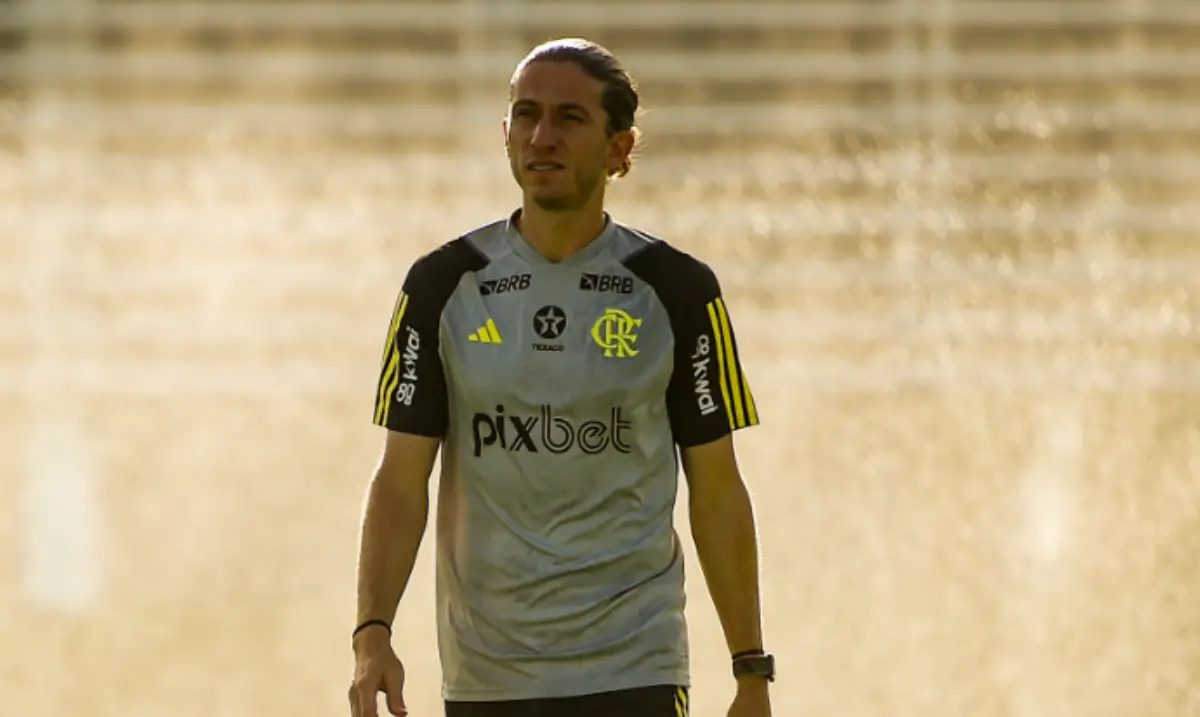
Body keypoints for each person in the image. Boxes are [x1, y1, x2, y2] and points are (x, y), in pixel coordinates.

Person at [348, 37, 774, 717]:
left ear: (620, 148)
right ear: (506, 133)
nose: (542, 136)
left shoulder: (677, 289)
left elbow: (718, 489)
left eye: (570, 118)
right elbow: (401, 479)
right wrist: (373, 636)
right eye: (526, 114)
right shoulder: (441, 286)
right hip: (488, 677)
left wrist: (751, 670)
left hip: (637, 664)